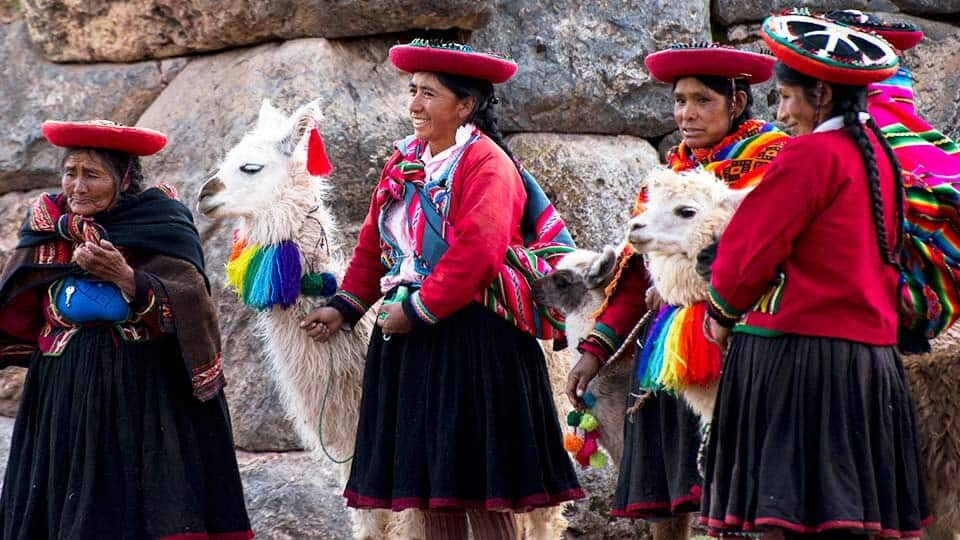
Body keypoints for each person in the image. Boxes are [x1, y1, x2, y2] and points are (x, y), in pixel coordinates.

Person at [300, 39, 583, 538]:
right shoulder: (404, 163)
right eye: (412, 91)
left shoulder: (487, 164)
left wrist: (418, 312)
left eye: (428, 93)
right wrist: (346, 306)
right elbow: (375, 245)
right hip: (413, 348)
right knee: (430, 499)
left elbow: (479, 250)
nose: (414, 105)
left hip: (476, 343)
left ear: (466, 105)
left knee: (481, 498)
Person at [702, 12, 930, 537]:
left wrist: (720, 310)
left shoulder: (810, 155)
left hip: (800, 364)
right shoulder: (878, 155)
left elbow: (750, 249)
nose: (781, 113)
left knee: (793, 518)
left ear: (821, 94)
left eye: (785, 98)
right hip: (869, 364)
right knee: (845, 520)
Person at [563, 43, 787, 539]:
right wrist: (593, 351)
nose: (686, 113)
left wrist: (691, 289)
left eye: (702, 100)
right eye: (679, 100)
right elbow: (631, 276)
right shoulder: (669, 178)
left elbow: (772, 260)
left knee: (738, 496)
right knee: (668, 502)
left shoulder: (773, 165)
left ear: (738, 103)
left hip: (740, 345)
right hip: (670, 354)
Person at [0, 120, 252, 539]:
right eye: (70, 173)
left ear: (125, 179)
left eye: (92, 175)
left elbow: (194, 303)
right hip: (60, 390)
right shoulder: (49, 224)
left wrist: (128, 279)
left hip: (139, 395)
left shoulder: (161, 222)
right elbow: (19, 287)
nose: (77, 187)